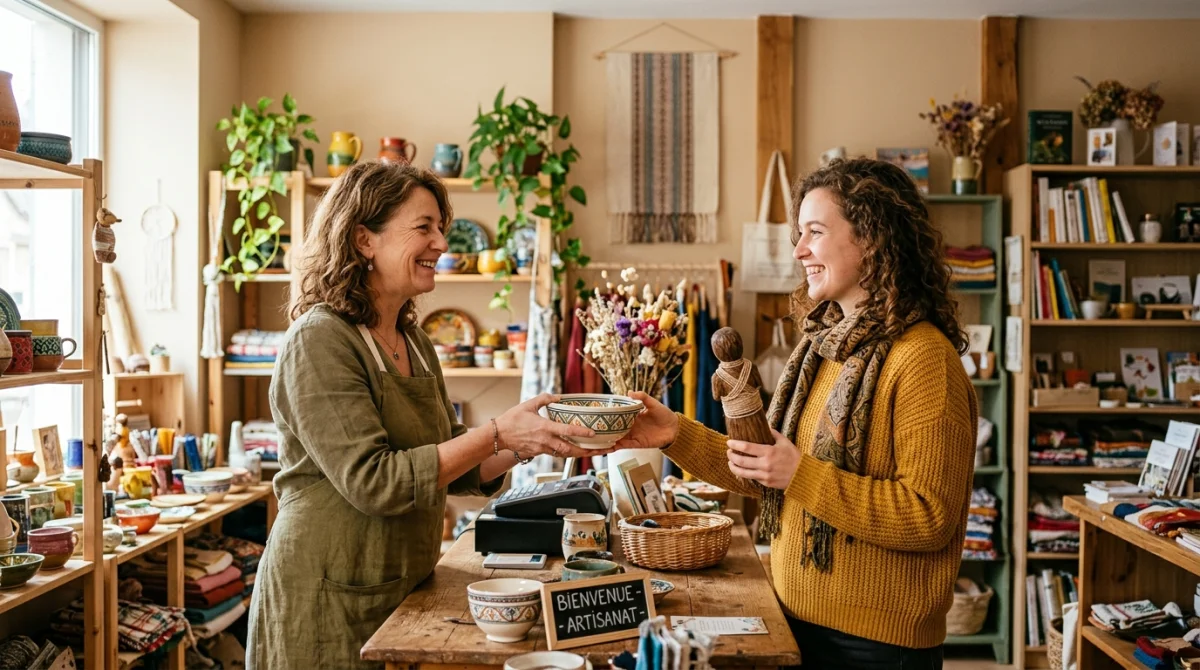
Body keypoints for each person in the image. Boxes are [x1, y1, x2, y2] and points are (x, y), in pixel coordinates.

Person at [616, 157, 977, 670]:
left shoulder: (923, 360)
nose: (799, 249)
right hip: (802, 618)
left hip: (875, 646)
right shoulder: (824, 349)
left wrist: (800, 475)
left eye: (815, 231)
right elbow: (769, 469)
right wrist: (673, 432)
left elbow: (930, 517)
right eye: (798, 233)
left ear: (871, 240)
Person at [246, 162, 601, 670]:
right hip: (326, 591)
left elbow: (450, 459)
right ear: (364, 239)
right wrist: (498, 431)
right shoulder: (320, 339)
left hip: (398, 583)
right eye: (424, 227)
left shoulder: (413, 339)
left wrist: (529, 440)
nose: (441, 243)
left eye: (441, 228)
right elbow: (376, 482)